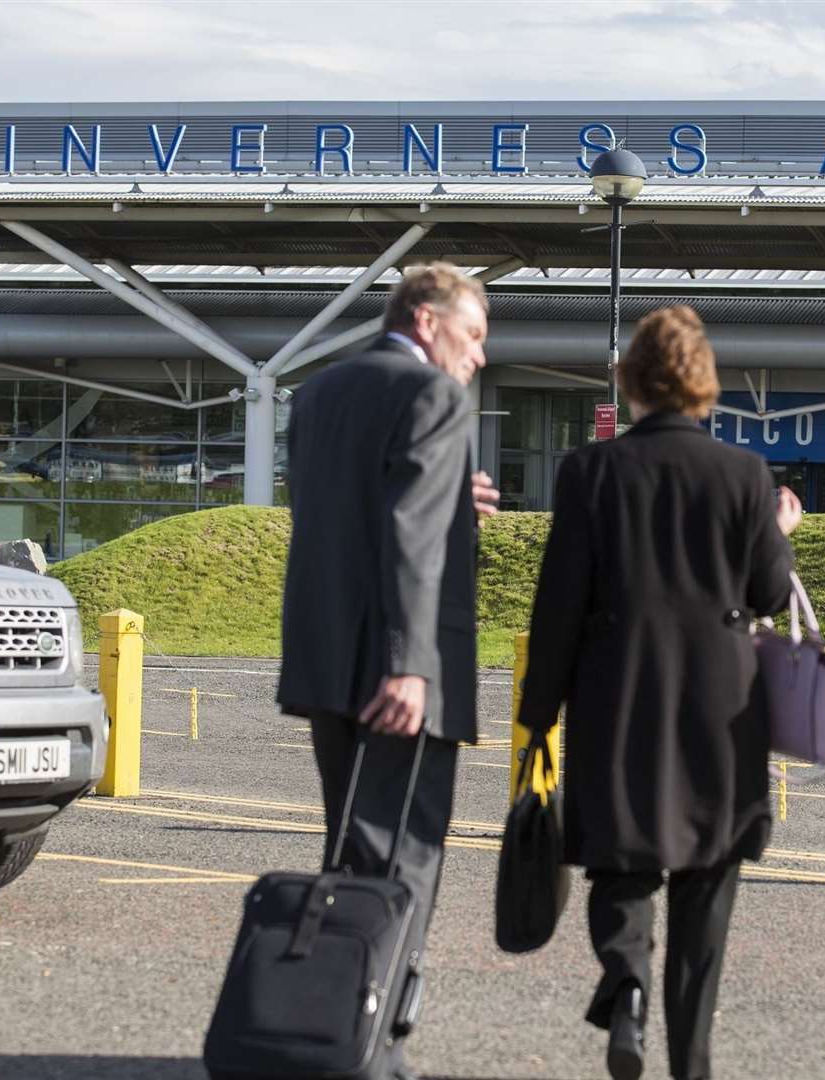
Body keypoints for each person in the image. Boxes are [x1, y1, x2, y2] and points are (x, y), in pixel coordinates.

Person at [519, 305, 803, 1080]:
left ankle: (626, 986)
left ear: (630, 383)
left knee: (622, 863)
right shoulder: (743, 474)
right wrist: (779, 526)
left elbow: (558, 605)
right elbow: (768, 592)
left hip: (618, 694)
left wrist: (537, 716)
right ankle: (693, 1064)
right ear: (704, 386)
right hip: (719, 705)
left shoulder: (588, 473)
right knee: (706, 885)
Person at [276, 262, 500, 1080]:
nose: (477, 357)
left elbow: (345, 510)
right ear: (429, 318)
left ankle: (325, 1030)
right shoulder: (435, 397)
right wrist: (409, 667)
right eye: (472, 336)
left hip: (326, 660)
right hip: (398, 673)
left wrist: (448, 500)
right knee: (400, 863)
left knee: (348, 853)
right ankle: (374, 1054)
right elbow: (406, 537)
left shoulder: (319, 392)